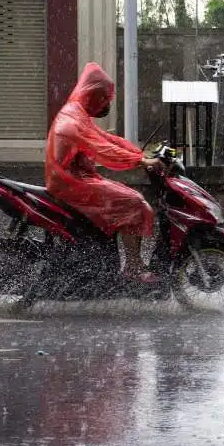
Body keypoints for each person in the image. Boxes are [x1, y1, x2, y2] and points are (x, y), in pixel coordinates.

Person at [45, 62, 162, 285]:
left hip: (76, 179)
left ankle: (130, 264)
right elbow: (102, 149)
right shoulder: (74, 119)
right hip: (70, 183)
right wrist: (140, 160)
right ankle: (134, 268)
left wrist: (139, 153)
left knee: (133, 201)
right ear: (93, 95)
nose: (106, 104)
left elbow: (107, 139)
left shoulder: (77, 113)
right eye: (103, 98)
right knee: (134, 202)